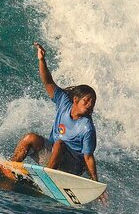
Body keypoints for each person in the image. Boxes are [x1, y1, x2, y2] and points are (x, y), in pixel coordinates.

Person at [11, 42, 102, 185]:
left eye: (93, 102)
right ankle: (11, 167)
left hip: (72, 169)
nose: (91, 105)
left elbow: (88, 157)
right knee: (30, 137)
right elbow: (48, 82)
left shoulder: (87, 127)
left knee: (60, 144)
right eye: (87, 100)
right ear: (75, 100)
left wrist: (95, 182)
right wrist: (41, 60)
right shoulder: (64, 103)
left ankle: (47, 180)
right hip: (52, 159)